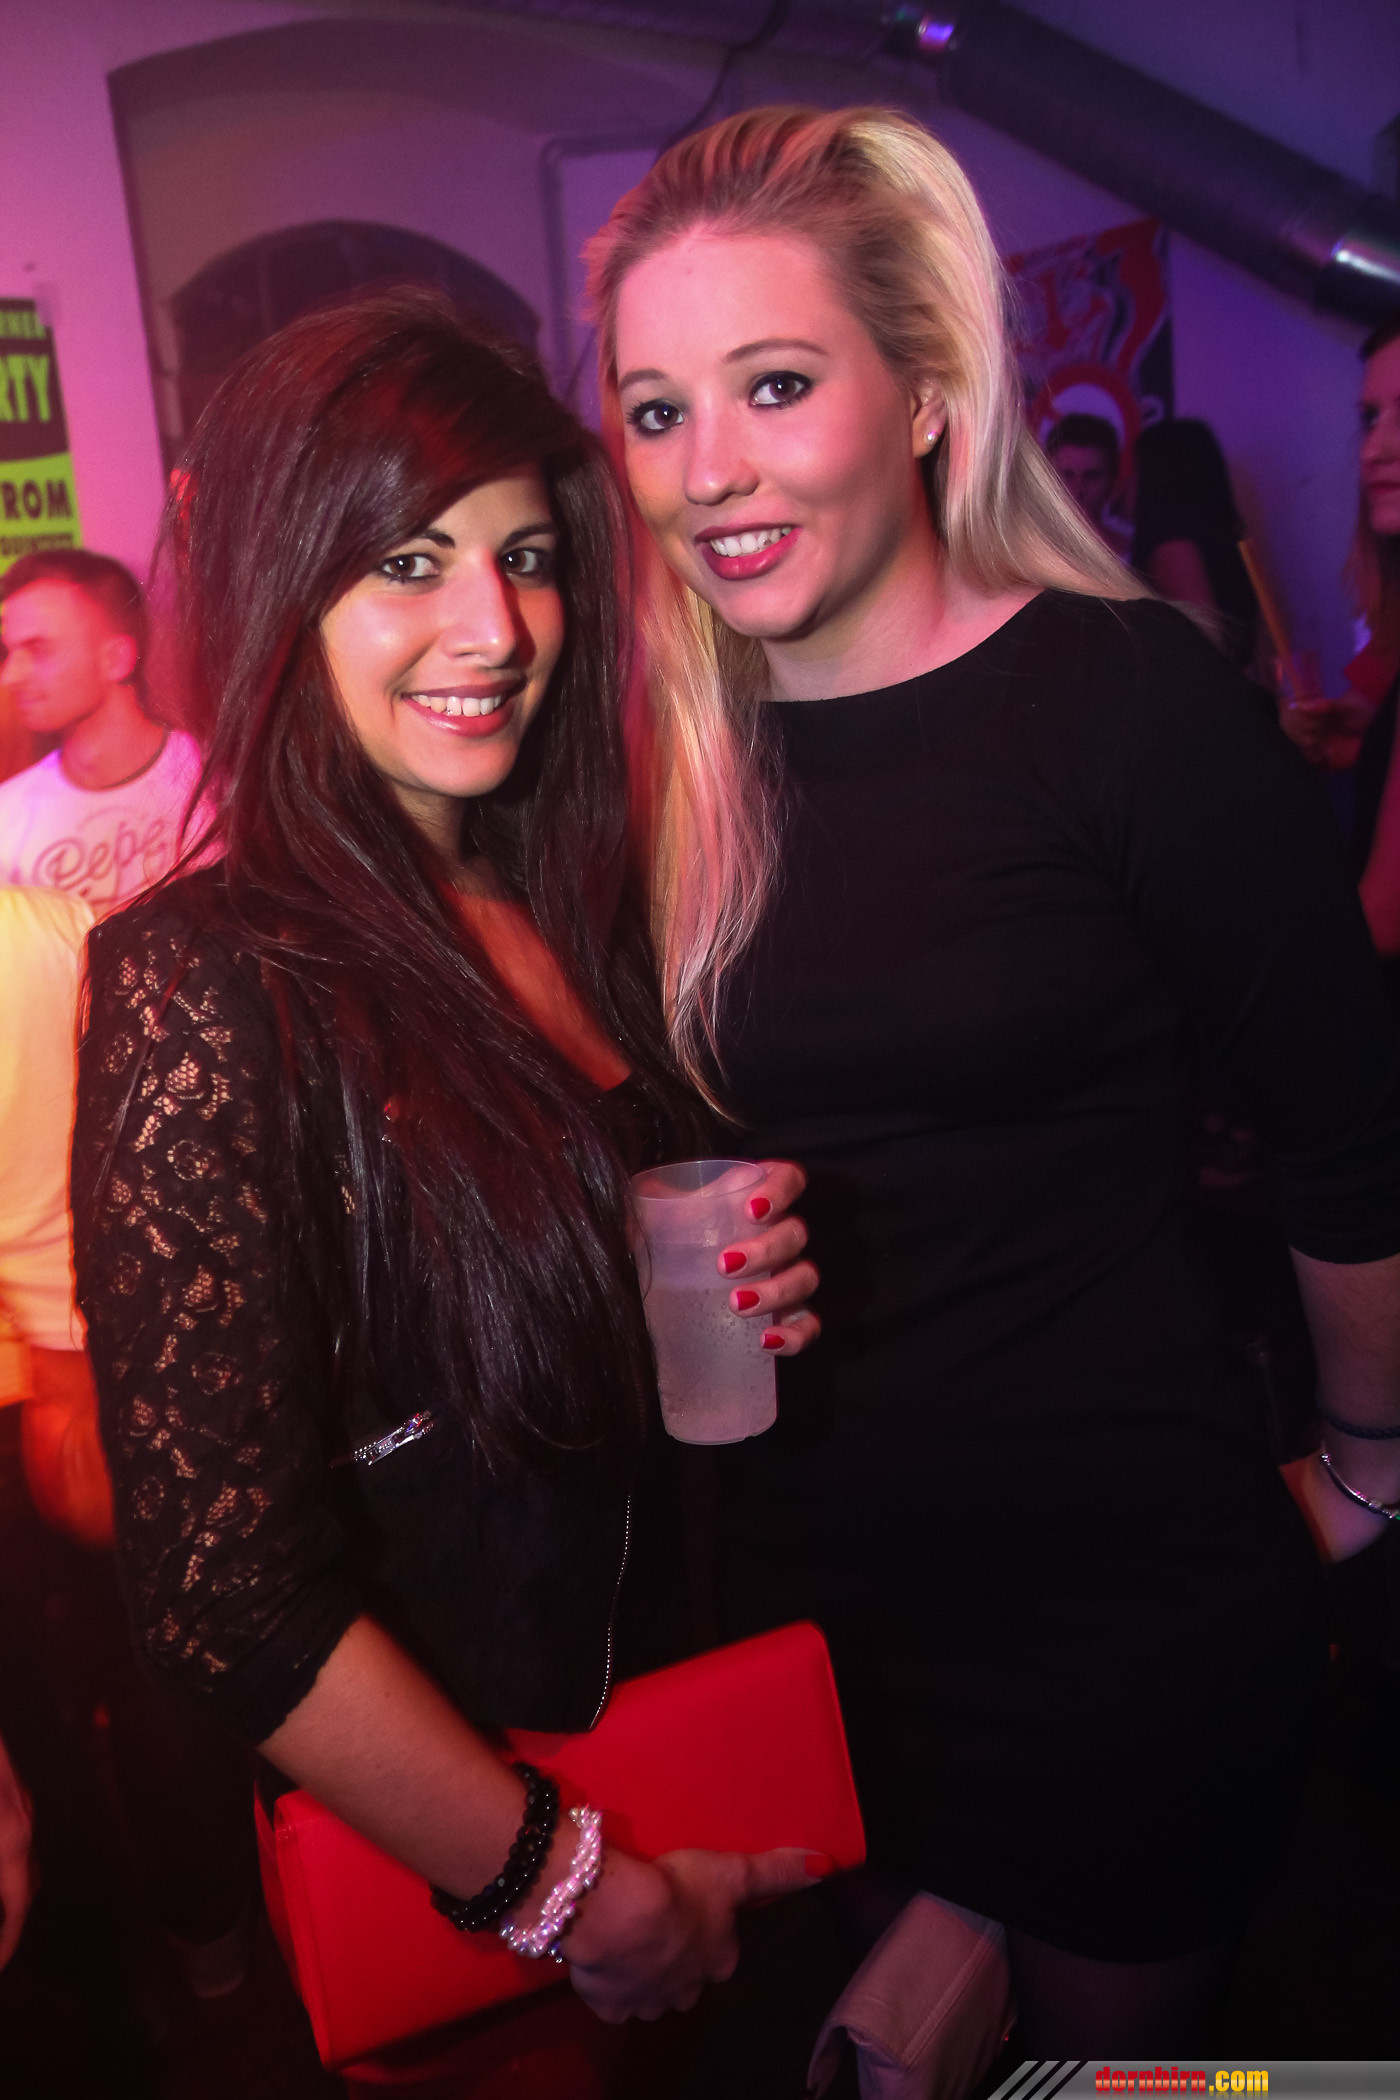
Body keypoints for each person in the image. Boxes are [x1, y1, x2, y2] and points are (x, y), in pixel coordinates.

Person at [586, 105, 1400, 2053]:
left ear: (929, 391)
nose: (708, 469)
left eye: (776, 385)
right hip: (817, 1617)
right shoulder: (663, 760)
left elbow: (1350, 1139)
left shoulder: (1123, 701)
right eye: (655, 410)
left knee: (1130, 2082)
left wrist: (1374, 1466)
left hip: (1111, 1604)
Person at [70, 292, 824, 2063]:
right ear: (283, 587)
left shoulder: (576, 906)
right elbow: (223, 1592)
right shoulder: (207, 979)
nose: (496, 626)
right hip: (498, 1896)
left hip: (708, 1754)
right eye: (409, 562)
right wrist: (563, 1888)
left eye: (527, 558)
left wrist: (749, 1284)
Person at [0, 550, 203, 914]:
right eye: (9, 652)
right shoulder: (7, 820)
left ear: (116, 658)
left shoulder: (217, 779)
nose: (10, 676)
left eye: (39, 650)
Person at [1130, 418, 1262, 673]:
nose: (1127, 482)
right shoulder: (1216, 535)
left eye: (1135, 470)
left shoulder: (1173, 546)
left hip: (1203, 691)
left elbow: (1205, 644)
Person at [1044, 411, 1120, 541]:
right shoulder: (1018, 547)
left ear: (1113, 480)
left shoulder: (1131, 551)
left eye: (1091, 477)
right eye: (1066, 475)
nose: (1077, 490)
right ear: (1045, 478)